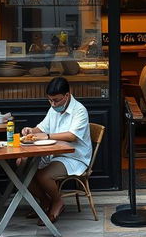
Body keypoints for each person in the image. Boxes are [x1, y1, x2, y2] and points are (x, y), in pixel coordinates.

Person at [20, 77, 92, 224]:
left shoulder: (79, 110)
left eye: (56, 100)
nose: (53, 104)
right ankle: (45, 201)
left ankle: (57, 202)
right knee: (21, 164)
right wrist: (30, 131)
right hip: (54, 153)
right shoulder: (54, 108)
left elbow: (71, 136)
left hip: (74, 156)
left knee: (43, 176)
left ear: (67, 95)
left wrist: (45, 136)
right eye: (50, 100)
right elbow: (42, 127)